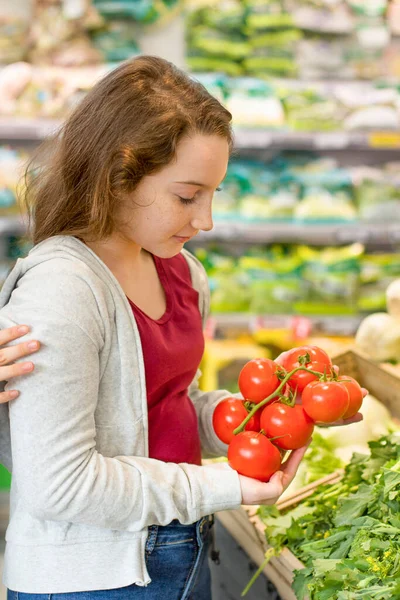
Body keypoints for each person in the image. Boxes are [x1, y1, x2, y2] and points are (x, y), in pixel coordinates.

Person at [0, 56, 360, 600]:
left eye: (214, 193)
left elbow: (164, 407)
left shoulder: (182, 272)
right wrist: (224, 485)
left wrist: (251, 421)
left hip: (182, 545)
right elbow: (61, 485)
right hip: (94, 580)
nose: (206, 219)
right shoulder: (63, 290)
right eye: (187, 195)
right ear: (119, 176)